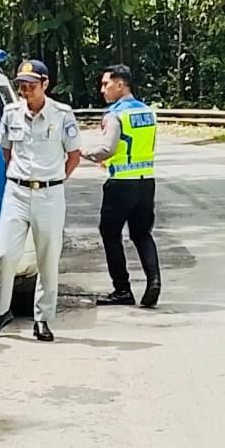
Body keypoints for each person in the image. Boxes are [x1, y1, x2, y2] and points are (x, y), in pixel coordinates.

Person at [0, 59, 82, 342]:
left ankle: (42, 318)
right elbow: (6, 150)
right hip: (17, 192)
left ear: (45, 84)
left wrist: (55, 179)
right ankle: (1, 312)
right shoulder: (11, 112)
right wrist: (18, 176)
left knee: (47, 257)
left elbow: (73, 155)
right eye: (22, 86)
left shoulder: (62, 114)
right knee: (5, 252)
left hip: (50, 193)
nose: (26, 91)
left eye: (31, 85)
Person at [83, 64, 161, 308]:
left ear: (120, 84)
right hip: (146, 181)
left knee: (110, 234)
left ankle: (122, 289)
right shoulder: (147, 112)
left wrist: (83, 152)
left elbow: (107, 148)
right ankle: (154, 280)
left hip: (120, 185)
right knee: (142, 234)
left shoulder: (115, 115)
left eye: (106, 84)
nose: (102, 89)